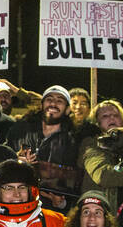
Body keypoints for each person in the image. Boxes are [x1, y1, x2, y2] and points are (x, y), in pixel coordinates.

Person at [5, 85, 80, 213]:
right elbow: (1, 160)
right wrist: (15, 161)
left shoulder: (74, 141)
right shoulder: (20, 130)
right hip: (18, 206)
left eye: (60, 101)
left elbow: (75, 182)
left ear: (67, 110)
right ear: (41, 105)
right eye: (49, 99)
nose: (53, 103)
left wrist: (63, 203)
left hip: (53, 213)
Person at [78, 99, 123, 227]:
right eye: (105, 116)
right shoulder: (91, 144)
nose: (111, 118)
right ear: (97, 122)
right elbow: (104, 175)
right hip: (101, 217)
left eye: (115, 115)